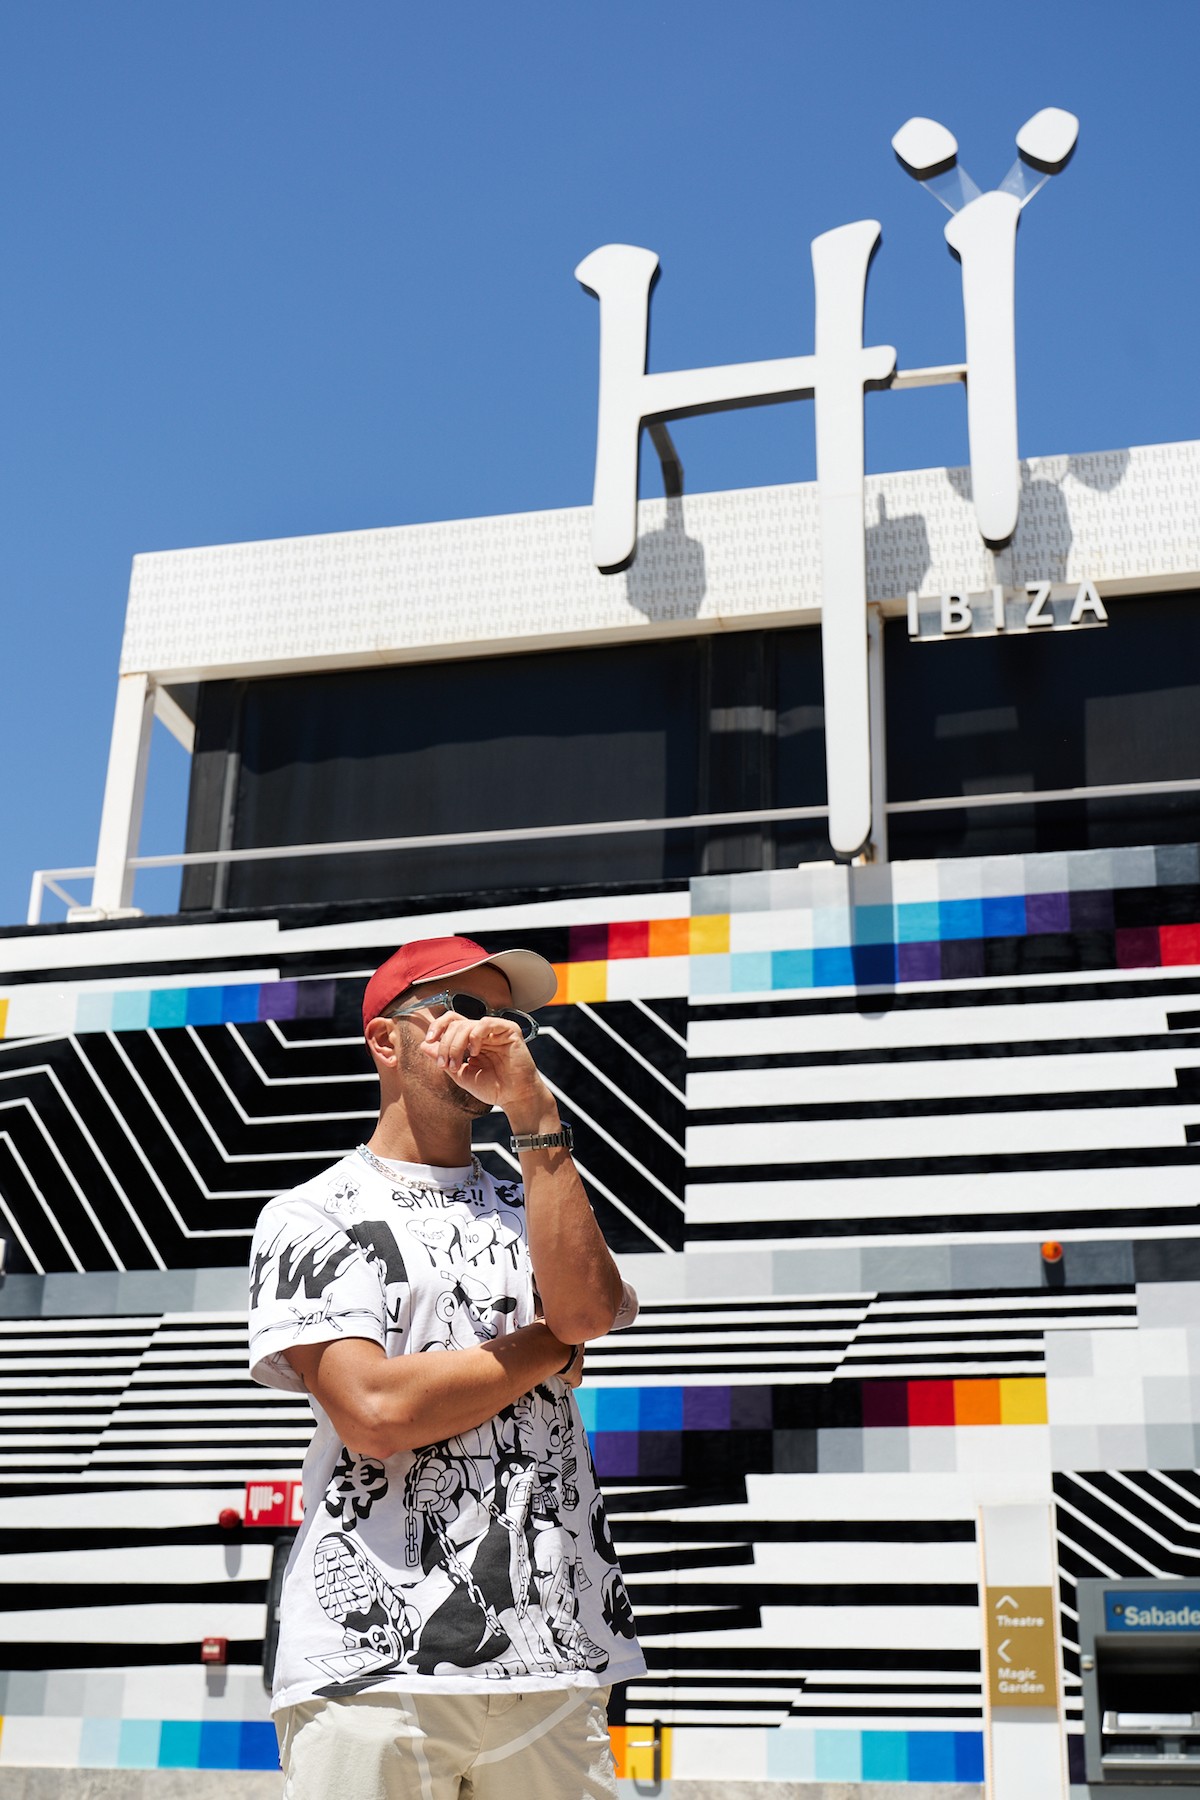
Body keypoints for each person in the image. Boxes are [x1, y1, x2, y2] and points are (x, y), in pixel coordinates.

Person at [248, 934, 644, 1800]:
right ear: (386, 1042)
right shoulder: (313, 1212)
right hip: (375, 1668)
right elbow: (376, 1411)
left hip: (555, 1653)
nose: (486, 1031)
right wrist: (545, 1348)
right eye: (459, 1009)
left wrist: (533, 1108)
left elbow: (588, 1311)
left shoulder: (536, 1194)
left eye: (503, 1015)